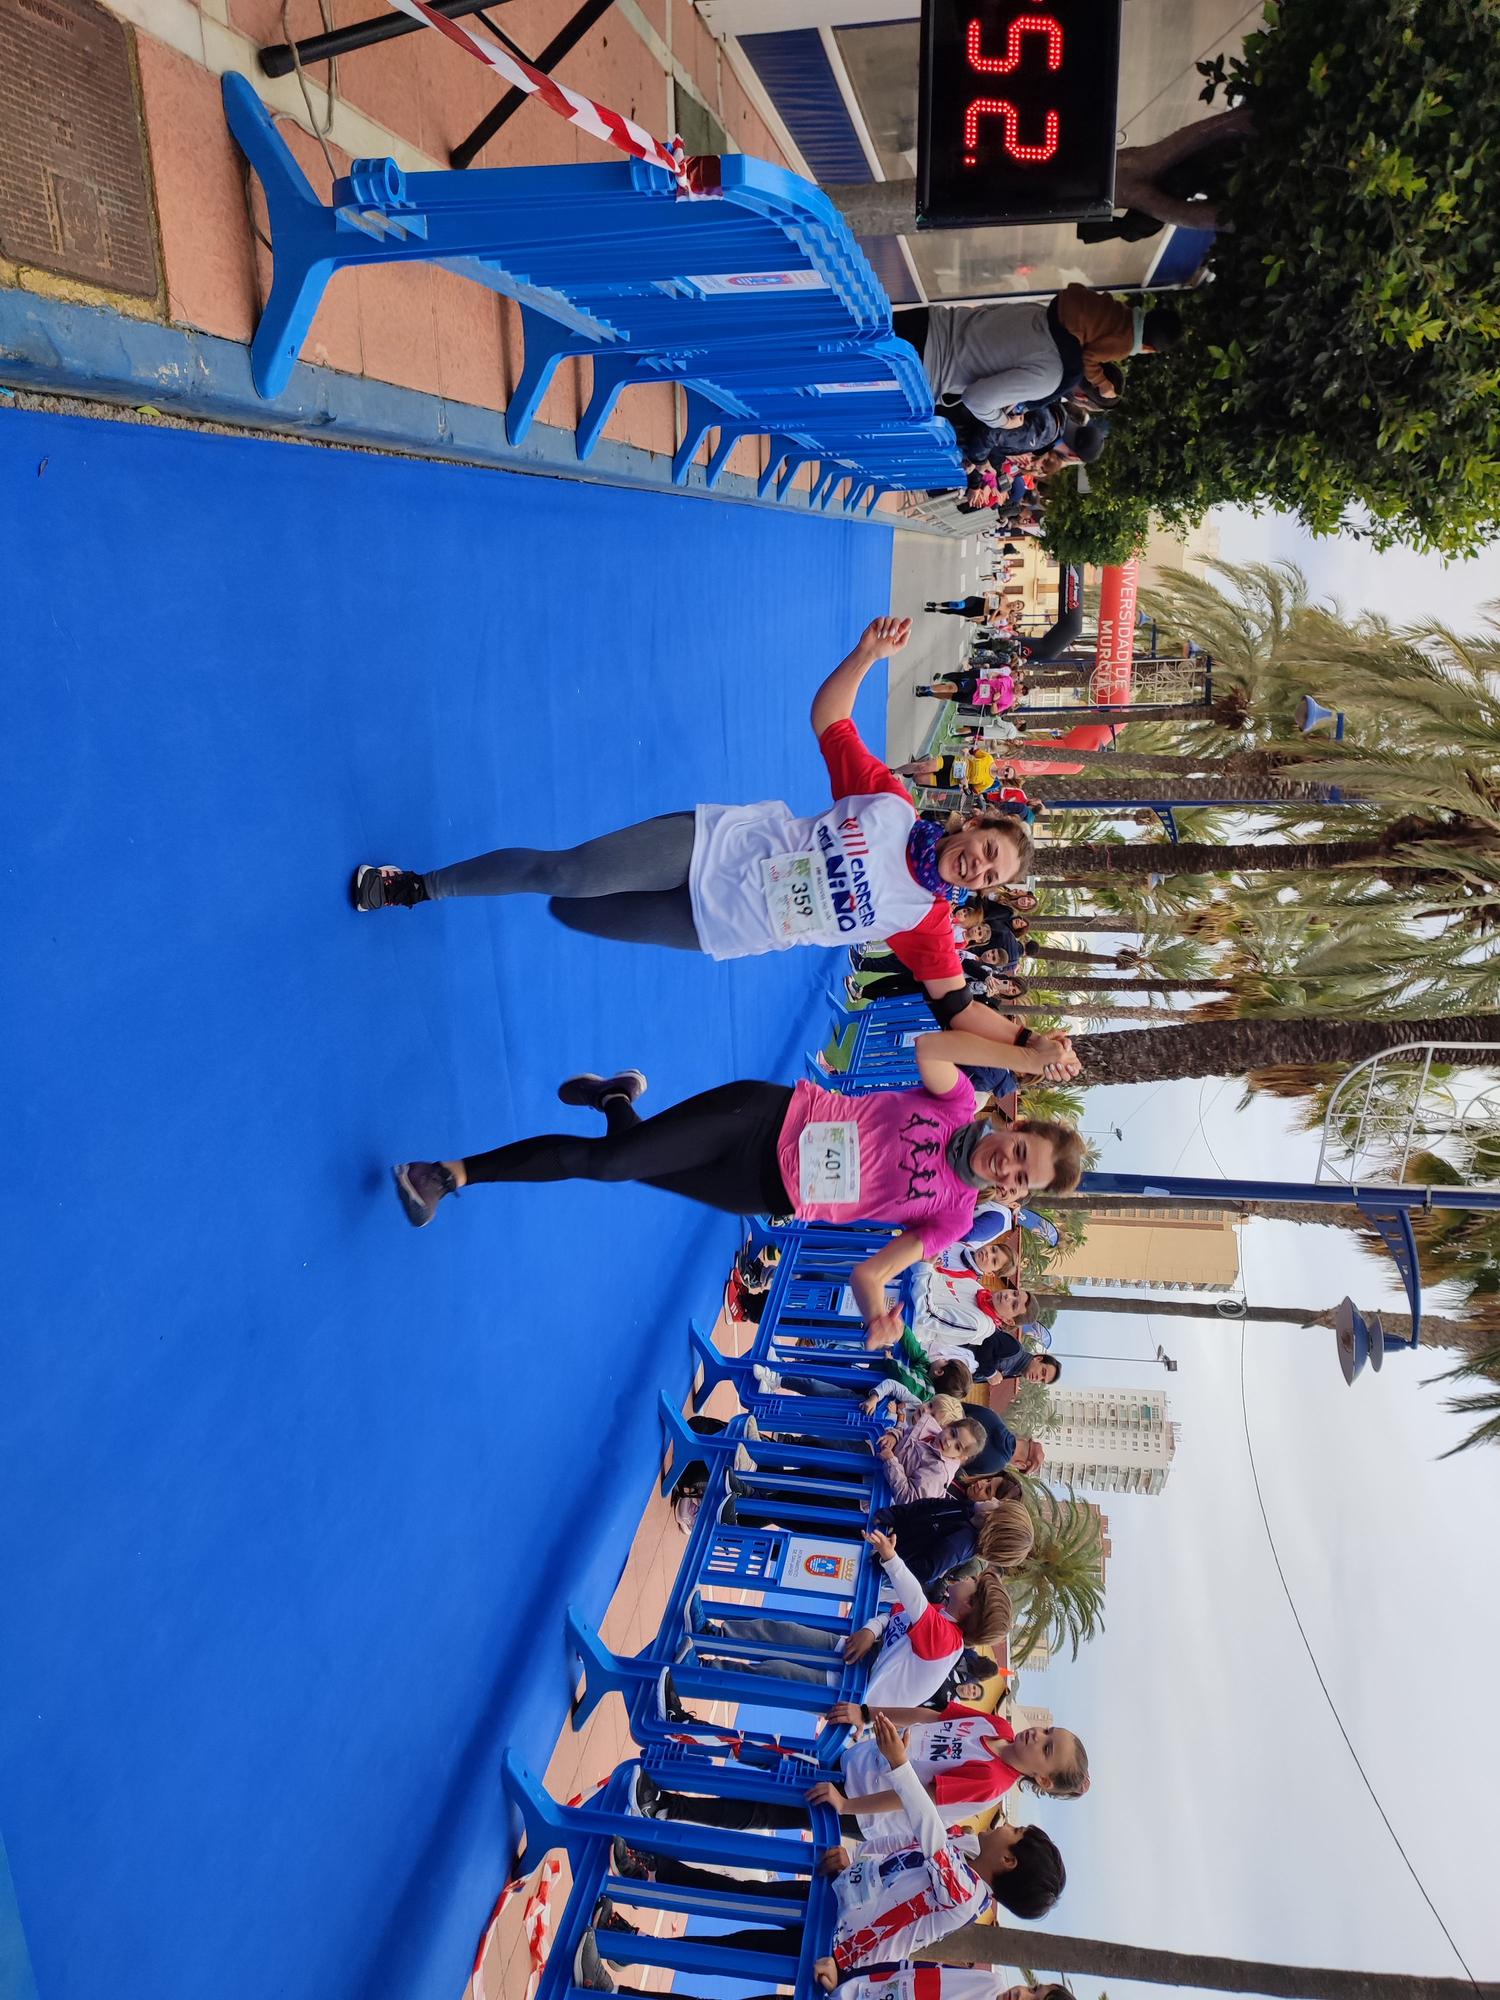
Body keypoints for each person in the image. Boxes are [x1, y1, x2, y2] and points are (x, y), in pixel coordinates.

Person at [355, 616, 1061, 1066]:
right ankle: (417, 885)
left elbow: (958, 1010)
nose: (978, 868)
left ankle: (503, 890)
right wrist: (863, 655)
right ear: (972, 825)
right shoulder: (891, 805)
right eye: (987, 851)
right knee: (565, 875)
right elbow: (829, 719)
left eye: (988, 879)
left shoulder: (927, 923)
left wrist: (1029, 1041)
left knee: (579, 914)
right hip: (713, 849)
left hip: (719, 926)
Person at [391, 1034, 1087, 1358]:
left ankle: (614, 1100)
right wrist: (1024, 1057)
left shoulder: (955, 1216)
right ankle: (448, 1175)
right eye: (1022, 1151)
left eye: (1022, 1178)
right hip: (763, 1119)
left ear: (1016, 1193)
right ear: (1016, 1128)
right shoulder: (957, 1101)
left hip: (761, 1189)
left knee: (624, 1161)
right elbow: (935, 1044)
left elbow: (871, 1271)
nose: (1010, 1166)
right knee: (608, 1167)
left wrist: (879, 1315)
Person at [597, 1712, 1064, 1986]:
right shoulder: (965, 1846)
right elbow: (899, 1845)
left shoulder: (965, 1893)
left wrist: (843, 1966)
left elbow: (925, 1835)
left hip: (831, 1944)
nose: (1008, 1826)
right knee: (735, 1893)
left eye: (1016, 1832)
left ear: (1008, 1860)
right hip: (834, 1894)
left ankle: (635, 1947)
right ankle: (652, 1870)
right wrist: (855, 1859)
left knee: (737, 1945)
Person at [632, 1687, 1086, 1845]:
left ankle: (668, 1806)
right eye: (1050, 1733)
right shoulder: (994, 1726)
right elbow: (929, 1716)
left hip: (862, 1804)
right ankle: (684, 1729)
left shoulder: (990, 1780)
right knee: (771, 1753)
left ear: (1041, 1779)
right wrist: (869, 1714)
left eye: (1047, 1749)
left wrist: (846, 1807)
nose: (1038, 1736)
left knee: (764, 1810)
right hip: (855, 1759)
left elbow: (917, 1798)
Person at [692, 1527, 1012, 1698]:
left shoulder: (947, 1642)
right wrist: (871, 1629)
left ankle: (700, 1672)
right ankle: (713, 1635)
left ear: (971, 1605)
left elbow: (912, 1600)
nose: (968, 1577)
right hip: (859, 1656)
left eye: (973, 1582)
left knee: (777, 1674)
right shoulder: (942, 1615)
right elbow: (896, 1614)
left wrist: (891, 1558)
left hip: (855, 1692)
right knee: (784, 1632)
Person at [894, 290, 1181, 429]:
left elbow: (985, 311)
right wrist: (1004, 422)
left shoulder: (1044, 312)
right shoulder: (1051, 375)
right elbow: (976, 400)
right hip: (915, 370)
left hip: (926, 320)